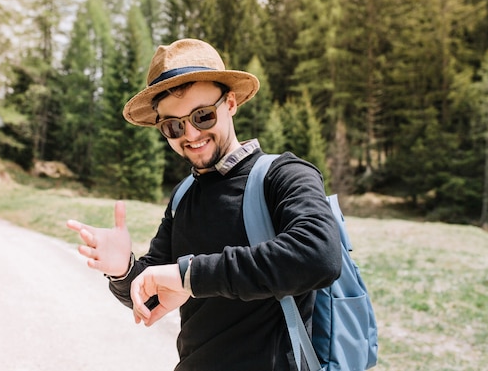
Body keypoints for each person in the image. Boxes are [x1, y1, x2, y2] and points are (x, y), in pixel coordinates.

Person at [66, 38, 342, 370]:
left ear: (231, 103)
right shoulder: (183, 196)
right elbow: (153, 295)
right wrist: (123, 269)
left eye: (202, 116)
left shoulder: (284, 175)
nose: (191, 133)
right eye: (173, 125)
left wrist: (190, 275)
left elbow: (319, 256)